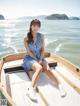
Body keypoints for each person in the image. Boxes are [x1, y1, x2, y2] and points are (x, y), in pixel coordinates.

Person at [22, 19, 66, 102]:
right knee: (39, 68)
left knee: (47, 69)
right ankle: (30, 90)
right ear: (31, 26)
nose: (35, 27)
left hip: (40, 56)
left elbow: (43, 50)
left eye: (37, 26)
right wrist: (37, 60)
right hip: (30, 58)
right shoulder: (26, 38)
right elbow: (29, 52)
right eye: (34, 25)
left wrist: (41, 58)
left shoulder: (41, 36)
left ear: (39, 27)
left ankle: (60, 85)